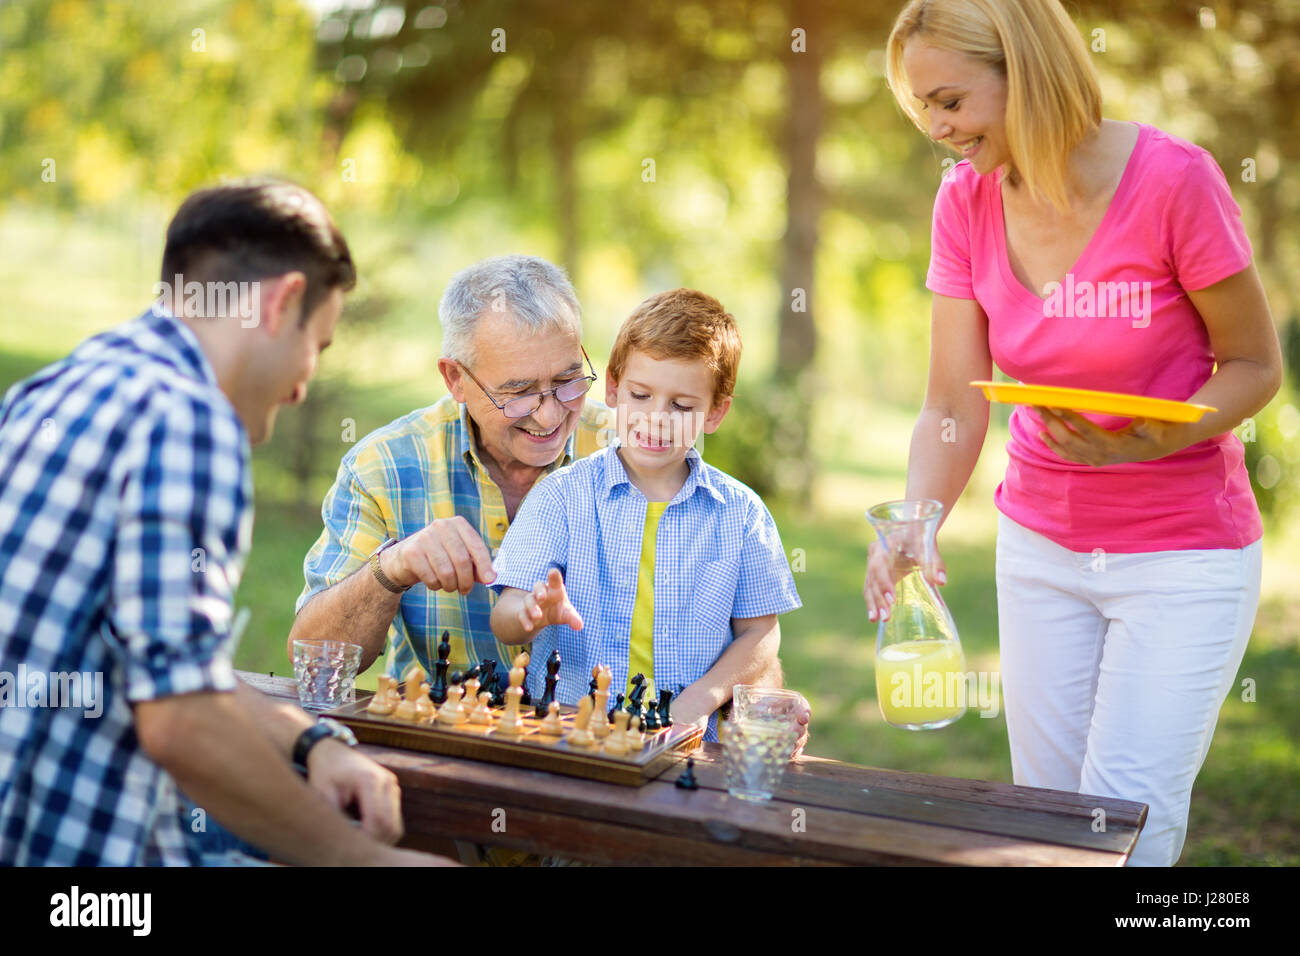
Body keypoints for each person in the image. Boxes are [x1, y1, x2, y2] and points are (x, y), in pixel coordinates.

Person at [866, 0, 1283, 866]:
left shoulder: (1175, 182)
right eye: (923, 112)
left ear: (1025, 68)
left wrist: (1158, 440)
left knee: (1125, 823)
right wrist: (917, 520)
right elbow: (951, 398)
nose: (938, 130)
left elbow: (1254, 365)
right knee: (1046, 823)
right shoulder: (965, 202)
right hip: (1040, 551)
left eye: (950, 102)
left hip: (1182, 556)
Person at [0, 179, 446, 866]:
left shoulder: (56, 390)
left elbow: (171, 666)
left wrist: (312, 741)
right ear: (282, 301)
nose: (302, 385)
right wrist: (368, 862)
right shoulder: (189, 421)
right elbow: (183, 724)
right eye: (317, 346)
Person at [290, 258, 804, 716]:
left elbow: (737, 630)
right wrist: (393, 567)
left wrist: (757, 697)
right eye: (518, 392)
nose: (550, 413)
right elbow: (310, 660)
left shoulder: (644, 438)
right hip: (440, 745)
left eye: (566, 381)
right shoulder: (383, 466)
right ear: (456, 380)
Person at [490, 289, 806, 743]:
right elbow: (504, 615)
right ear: (614, 389)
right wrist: (533, 611)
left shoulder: (741, 514)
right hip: (572, 739)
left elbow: (760, 633)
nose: (657, 418)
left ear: (716, 411)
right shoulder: (560, 496)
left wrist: (700, 700)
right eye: (641, 395)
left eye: (682, 405)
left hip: (691, 743)